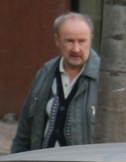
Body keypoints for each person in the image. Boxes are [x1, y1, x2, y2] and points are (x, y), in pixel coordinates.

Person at [11, 12, 101, 152]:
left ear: (91, 40)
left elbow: (125, 141)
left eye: (82, 41)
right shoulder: (45, 73)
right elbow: (24, 132)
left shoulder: (105, 80)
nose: (76, 49)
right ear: (57, 40)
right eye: (69, 41)